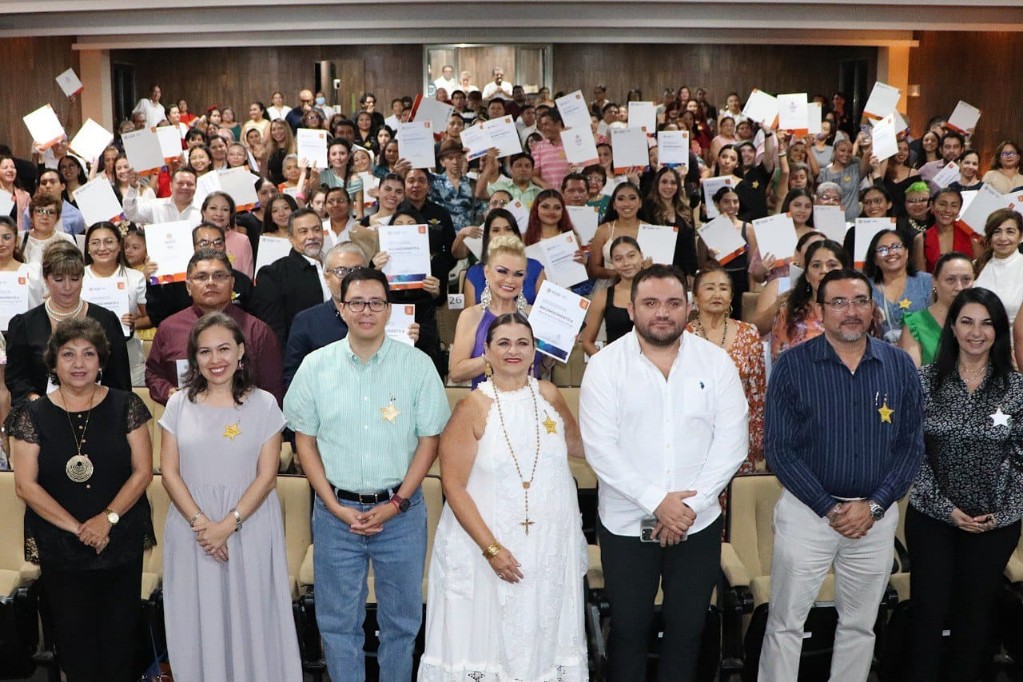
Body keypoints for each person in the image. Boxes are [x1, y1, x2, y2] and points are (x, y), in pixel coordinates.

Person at [580, 264, 748, 681]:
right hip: (626, 525)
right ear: (631, 308)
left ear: (687, 308)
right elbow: (601, 449)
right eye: (650, 303)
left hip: (699, 521)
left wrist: (687, 507)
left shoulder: (717, 362)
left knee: (688, 631)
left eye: (673, 303)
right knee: (629, 632)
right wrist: (659, 503)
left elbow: (732, 443)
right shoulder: (604, 366)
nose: (662, 312)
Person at [284, 266, 450, 682]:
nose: (366, 311)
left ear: (389, 310)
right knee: (338, 626)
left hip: (400, 515)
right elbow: (304, 442)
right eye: (356, 302)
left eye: (376, 302)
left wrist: (396, 503)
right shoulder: (315, 367)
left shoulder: (417, 366)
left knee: (401, 625)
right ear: (340, 308)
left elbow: (430, 441)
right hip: (335, 515)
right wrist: (332, 504)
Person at [761, 268, 925, 682]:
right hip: (808, 515)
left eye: (860, 301)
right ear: (819, 310)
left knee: (859, 626)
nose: (850, 311)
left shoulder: (900, 365)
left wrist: (873, 505)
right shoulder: (793, 366)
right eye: (838, 302)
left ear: (873, 308)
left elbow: (910, 447)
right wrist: (829, 508)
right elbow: (780, 449)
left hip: (875, 516)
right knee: (785, 623)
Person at [419, 312, 587, 679]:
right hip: (484, 550)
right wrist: (491, 549)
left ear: (535, 351)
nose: (514, 350)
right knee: (487, 645)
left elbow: (580, 446)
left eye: (523, 343)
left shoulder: (549, 394)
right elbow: (454, 486)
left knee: (542, 643)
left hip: (546, 549)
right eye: (504, 343)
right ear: (487, 351)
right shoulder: (472, 407)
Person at [159, 313, 301, 681]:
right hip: (193, 531)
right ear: (194, 358)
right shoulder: (178, 405)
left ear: (241, 351)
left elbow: (267, 476)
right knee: (196, 621)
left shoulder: (265, 404)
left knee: (252, 620)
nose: (215, 359)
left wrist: (228, 524)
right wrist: (203, 525)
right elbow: (169, 473)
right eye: (204, 351)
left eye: (224, 348)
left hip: (248, 527)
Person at [11, 317, 153, 682]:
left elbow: (142, 472)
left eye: (88, 354)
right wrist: (79, 528)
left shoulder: (127, 405)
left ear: (101, 361)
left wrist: (107, 519)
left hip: (119, 539)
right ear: (54, 362)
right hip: (62, 544)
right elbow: (26, 486)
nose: (78, 363)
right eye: (68, 354)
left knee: (121, 641)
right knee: (75, 646)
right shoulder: (31, 414)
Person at [907, 287, 1023, 682]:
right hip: (932, 520)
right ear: (952, 327)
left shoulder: (1016, 389)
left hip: (994, 524)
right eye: (967, 321)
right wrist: (946, 510)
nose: (977, 332)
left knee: (975, 617)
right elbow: (911, 456)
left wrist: (1001, 514)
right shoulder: (924, 382)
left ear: (999, 331)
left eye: (987, 323)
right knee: (928, 611)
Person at [146, 249, 283, 406]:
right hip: (187, 420)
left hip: (244, 423)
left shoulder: (257, 330)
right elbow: (153, 373)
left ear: (232, 283)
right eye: (201, 277)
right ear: (188, 287)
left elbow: (273, 390)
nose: (210, 282)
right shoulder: (169, 328)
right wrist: (167, 392)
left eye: (219, 276)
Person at [6, 241, 130, 407]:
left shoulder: (106, 320)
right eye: (58, 279)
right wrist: (36, 401)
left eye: (74, 279)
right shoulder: (25, 324)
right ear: (46, 279)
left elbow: (120, 380)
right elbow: (16, 378)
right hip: (41, 416)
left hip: (99, 415)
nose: (67, 287)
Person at [686, 265, 766, 472]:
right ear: (695, 296)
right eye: (709, 288)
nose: (717, 294)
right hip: (694, 433)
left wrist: (757, 443)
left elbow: (757, 392)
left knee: (738, 499)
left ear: (731, 297)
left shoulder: (748, 333)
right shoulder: (682, 337)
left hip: (738, 430)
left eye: (723, 288)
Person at [449, 236, 540, 387]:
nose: (510, 280)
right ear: (487, 272)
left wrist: (560, 346)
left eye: (518, 274)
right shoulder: (471, 316)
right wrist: (491, 357)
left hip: (528, 402)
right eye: (502, 271)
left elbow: (543, 365)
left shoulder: (533, 315)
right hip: (485, 405)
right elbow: (456, 373)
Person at [145, 223, 254, 327]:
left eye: (218, 243)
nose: (212, 247)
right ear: (192, 247)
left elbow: (253, 316)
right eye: (204, 243)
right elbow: (158, 318)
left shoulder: (241, 280)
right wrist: (152, 284)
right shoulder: (178, 282)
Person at [83, 221, 151, 387]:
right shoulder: (78, 278)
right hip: (84, 354)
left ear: (120, 246)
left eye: (109, 241)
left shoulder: (136, 277)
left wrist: (135, 323)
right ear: (87, 248)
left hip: (128, 353)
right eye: (95, 242)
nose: (102, 248)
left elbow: (150, 317)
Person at [251, 208, 329, 347]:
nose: (312, 236)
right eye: (303, 232)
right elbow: (274, 332)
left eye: (316, 229)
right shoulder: (273, 274)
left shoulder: (337, 266)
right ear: (291, 238)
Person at [770, 239, 851, 360]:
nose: (824, 270)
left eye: (832, 265)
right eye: (816, 265)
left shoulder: (860, 309)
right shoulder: (788, 313)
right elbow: (780, 362)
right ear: (807, 276)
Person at [899, 252, 975, 366]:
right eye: (950, 280)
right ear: (934, 281)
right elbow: (912, 378)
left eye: (966, 279)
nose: (959, 287)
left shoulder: (986, 320)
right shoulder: (915, 324)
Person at [462, 208, 545, 305]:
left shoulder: (535, 268)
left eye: (508, 229)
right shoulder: (474, 273)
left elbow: (544, 314)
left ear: (516, 234)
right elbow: (471, 317)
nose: (502, 235)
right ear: (487, 237)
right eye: (496, 230)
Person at [863, 229, 932, 343]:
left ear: (907, 252)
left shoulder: (927, 281)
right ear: (874, 259)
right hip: (878, 353)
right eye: (882, 250)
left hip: (923, 352)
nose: (891, 253)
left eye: (896, 246)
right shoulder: (864, 287)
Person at [580, 236, 642, 356]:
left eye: (631, 256)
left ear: (641, 256)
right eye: (618, 259)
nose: (626, 263)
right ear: (612, 263)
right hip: (616, 367)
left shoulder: (658, 293)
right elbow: (587, 342)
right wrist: (605, 366)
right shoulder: (602, 296)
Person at [975, 208, 1023, 326]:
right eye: (997, 231)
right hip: (977, 340)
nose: (1003, 238)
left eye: (1010, 231)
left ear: (1021, 236)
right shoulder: (974, 266)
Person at [201, 191, 255, 279]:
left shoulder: (242, 241)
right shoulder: (193, 239)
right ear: (204, 212)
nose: (219, 214)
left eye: (225, 209)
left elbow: (247, 279)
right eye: (213, 208)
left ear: (231, 215)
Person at [123, 167, 201, 225]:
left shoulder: (202, 211)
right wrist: (132, 188)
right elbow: (131, 215)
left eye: (190, 184)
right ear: (171, 185)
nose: (185, 187)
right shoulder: (155, 206)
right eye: (180, 183)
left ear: (196, 187)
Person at [20, 192, 76, 264]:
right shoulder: (19, 239)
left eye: (50, 212)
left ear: (57, 218)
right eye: (39, 211)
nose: (44, 217)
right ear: (31, 216)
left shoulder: (67, 240)